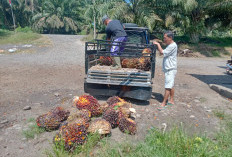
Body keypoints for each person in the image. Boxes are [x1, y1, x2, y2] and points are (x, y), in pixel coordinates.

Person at [153, 31, 177, 110]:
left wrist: (158, 44)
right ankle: (171, 100)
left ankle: (163, 103)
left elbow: (162, 52)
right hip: (169, 68)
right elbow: (164, 53)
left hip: (170, 69)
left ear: (170, 38)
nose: (164, 39)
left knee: (167, 86)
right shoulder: (170, 45)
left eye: (165, 38)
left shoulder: (172, 46)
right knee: (171, 84)